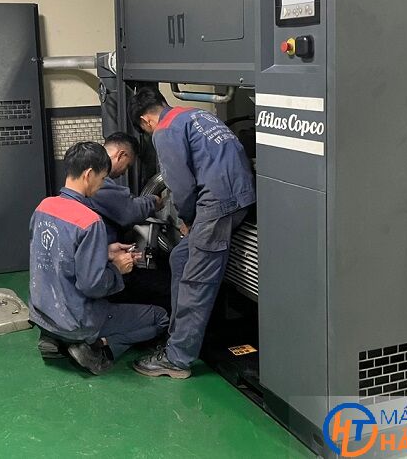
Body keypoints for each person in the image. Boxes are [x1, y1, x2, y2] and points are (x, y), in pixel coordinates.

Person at [128, 88, 255, 379]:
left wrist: (187, 219)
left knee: (195, 281)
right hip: (241, 198)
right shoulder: (197, 115)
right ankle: (178, 337)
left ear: (146, 120)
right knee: (181, 258)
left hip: (216, 205)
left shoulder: (164, 130)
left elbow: (181, 186)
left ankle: (177, 359)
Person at [29, 141, 169, 375]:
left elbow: (57, 254)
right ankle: (96, 346)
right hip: (77, 320)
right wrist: (118, 269)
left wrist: (104, 251)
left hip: (43, 314)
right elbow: (92, 285)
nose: (102, 184)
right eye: (102, 178)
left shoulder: (44, 207)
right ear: (88, 174)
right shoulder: (89, 220)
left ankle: (54, 338)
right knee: (160, 318)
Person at [87, 132, 171, 311]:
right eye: (128, 165)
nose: (125, 171)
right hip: (103, 269)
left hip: (101, 257)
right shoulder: (96, 180)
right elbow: (129, 211)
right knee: (168, 289)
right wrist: (153, 201)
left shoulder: (90, 174)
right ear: (121, 155)